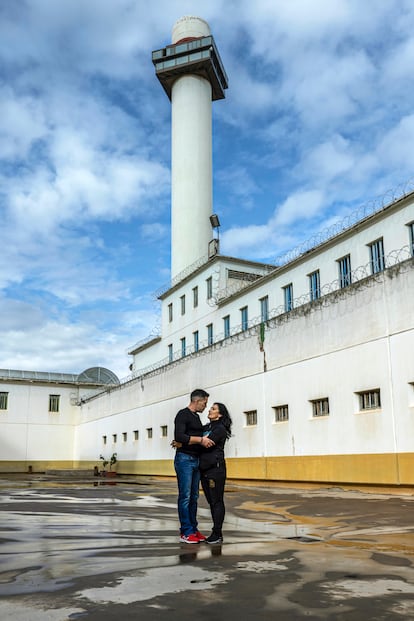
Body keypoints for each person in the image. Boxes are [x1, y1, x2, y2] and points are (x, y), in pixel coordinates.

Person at [173, 389, 214, 544]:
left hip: (195, 460)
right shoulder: (182, 414)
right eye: (205, 403)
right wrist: (199, 440)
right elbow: (179, 436)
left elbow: (186, 437)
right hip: (184, 460)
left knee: (194, 497)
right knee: (185, 496)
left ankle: (193, 529)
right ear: (197, 401)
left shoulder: (196, 418)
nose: (205, 406)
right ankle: (185, 532)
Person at [199, 402, 232, 544]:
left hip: (215, 470)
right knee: (211, 502)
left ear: (220, 414)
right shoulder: (206, 427)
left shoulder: (220, 429)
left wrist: (193, 441)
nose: (209, 410)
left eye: (213, 409)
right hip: (204, 469)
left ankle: (217, 533)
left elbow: (207, 444)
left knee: (216, 501)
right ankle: (216, 532)